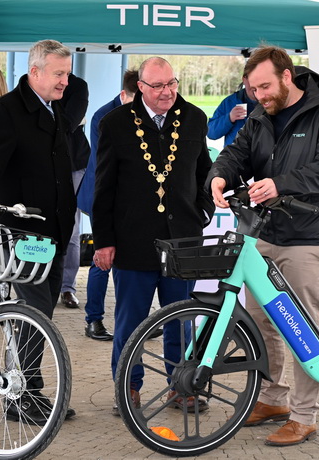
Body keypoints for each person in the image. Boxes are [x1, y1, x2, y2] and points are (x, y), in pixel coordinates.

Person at [207, 45, 319, 446]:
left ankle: (306, 416)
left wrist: (280, 183)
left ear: (287, 77)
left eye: (265, 87)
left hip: (313, 236)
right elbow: (236, 153)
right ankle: (273, 399)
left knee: (303, 329)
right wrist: (219, 175)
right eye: (253, 89)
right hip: (266, 233)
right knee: (260, 323)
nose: (259, 96)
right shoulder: (260, 114)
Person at [92, 57, 215, 413]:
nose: (167, 92)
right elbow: (104, 188)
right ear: (140, 87)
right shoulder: (115, 123)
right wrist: (104, 240)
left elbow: (204, 169)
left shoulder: (194, 117)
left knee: (180, 321)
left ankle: (182, 386)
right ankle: (127, 389)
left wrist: (204, 208)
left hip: (182, 241)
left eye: (172, 83)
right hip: (133, 240)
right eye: (158, 86)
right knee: (131, 322)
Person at [0, 39, 77, 424]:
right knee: (34, 314)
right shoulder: (6, 112)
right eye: (59, 73)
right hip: (22, 235)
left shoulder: (54, 109)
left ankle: (28, 389)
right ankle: (21, 396)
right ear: (34, 73)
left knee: (39, 313)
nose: (66, 80)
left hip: (54, 232)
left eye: (67, 72)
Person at [77, 69, 138, 341]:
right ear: (124, 94)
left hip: (127, 199)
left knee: (135, 260)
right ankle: (94, 321)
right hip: (102, 196)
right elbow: (108, 166)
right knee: (102, 259)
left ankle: (135, 323)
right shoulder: (104, 116)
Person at [57, 73, 91, 309]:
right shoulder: (33, 82)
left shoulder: (78, 86)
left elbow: (69, 122)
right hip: (41, 165)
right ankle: (43, 284)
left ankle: (67, 287)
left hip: (74, 164)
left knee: (71, 228)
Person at [207, 66, 257, 147]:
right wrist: (229, 118)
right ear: (244, 79)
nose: (256, 84)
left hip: (262, 157)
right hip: (234, 157)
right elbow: (211, 133)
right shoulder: (230, 102)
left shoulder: (271, 103)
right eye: (252, 79)